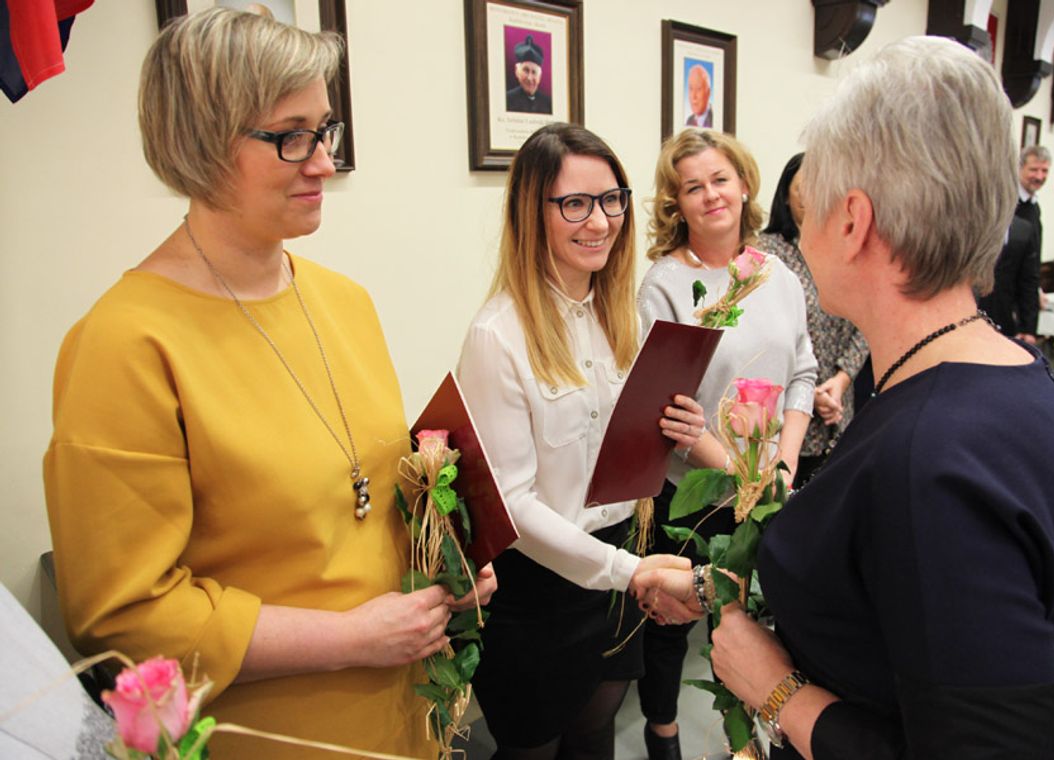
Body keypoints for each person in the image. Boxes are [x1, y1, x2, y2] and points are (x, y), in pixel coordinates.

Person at [42, 9, 494, 759]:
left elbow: (366, 500)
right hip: (272, 730)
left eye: (326, 131)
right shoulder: (124, 344)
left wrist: (442, 565)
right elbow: (122, 614)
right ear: (200, 140)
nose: (323, 162)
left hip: (402, 711)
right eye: (291, 137)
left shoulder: (344, 301)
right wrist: (350, 637)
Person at [636, 37, 1054, 759]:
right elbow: (886, 594)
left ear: (851, 221)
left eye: (809, 196)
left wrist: (780, 692)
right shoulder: (1003, 386)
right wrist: (717, 585)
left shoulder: (933, 464)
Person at [456, 122, 701, 760]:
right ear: (531, 212)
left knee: (596, 731)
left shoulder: (625, 316)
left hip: (623, 557)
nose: (600, 221)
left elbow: (622, 450)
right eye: (575, 204)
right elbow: (512, 506)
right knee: (534, 745)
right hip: (541, 588)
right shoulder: (498, 336)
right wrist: (626, 572)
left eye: (612, 198)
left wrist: (681, 433)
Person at [635, 128, 817, 760]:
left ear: (744, 185)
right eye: (692, 187)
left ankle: (754, 740)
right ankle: (664, 735)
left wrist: (783, 464)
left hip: (771, 484)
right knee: (676, 622)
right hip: (694, 491)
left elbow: (802, 371)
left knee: (756, 623)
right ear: (676, 204)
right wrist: (740, 475)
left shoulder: (778, 276)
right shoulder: (665, 285)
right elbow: (671, 410)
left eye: (720, 179)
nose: (710, 195)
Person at [756, 152, 869, 487]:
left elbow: (866, 320)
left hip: (838, 404)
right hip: (787, 406)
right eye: (803, 188)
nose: (812, 196)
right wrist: (808, 390)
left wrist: (841, 379)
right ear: (785, 195)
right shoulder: (767, 252)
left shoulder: (851, 248)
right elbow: (762, 330)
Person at [977, 215, 1040, 343]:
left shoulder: (1022, 230)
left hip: (1005, 318)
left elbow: (1028, 282)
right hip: (969, 316)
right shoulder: (966, 223)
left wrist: (1028, 328)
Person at [1016, 144, 1050, 252]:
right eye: (1034, 170)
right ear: (1020, 169)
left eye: (1044, 171)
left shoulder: (1034, 206)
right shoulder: (1008, 205)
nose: (1039, 177)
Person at [506, 33, 552, 114]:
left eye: (534, 72)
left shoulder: (548, 103)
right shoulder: (507, 99)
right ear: (517, 71)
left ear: (540, 76)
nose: (529, 78)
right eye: (526, 70)